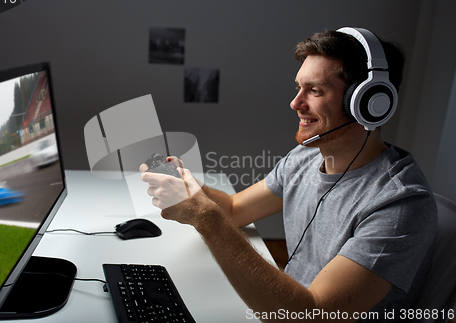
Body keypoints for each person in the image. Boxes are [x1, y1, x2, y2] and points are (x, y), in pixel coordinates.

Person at [140, 29, 437, 322]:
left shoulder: (400, 204)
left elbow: (311, 317)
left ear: (369, 103)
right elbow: (234, 210)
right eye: (298, 88)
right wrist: (187, 186)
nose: (296, 103)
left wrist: (207, 219)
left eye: (315, 90)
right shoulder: (307, 156)